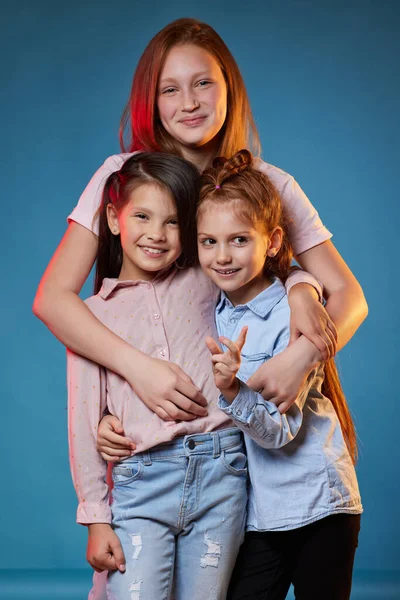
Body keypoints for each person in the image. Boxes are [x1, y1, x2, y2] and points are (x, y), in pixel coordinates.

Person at [68, 151, 250, 600]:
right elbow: (81, 422)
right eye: (143, 216)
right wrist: (96, 518)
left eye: (173, 222)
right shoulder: (89, 317)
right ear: (114, 218)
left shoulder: (207, 282)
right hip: (140, 483)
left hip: (222, 476)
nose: (157, 233)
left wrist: (305, 285)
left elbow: (265, 276)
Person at [198, 150, 362, 600]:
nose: (222, 256)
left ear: (271, 242)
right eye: (208, 241)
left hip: (320, 507)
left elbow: (278, 433)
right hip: (262, 513)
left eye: (238, 240)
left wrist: (233, 390)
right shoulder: (218, 308)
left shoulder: (290, 319)